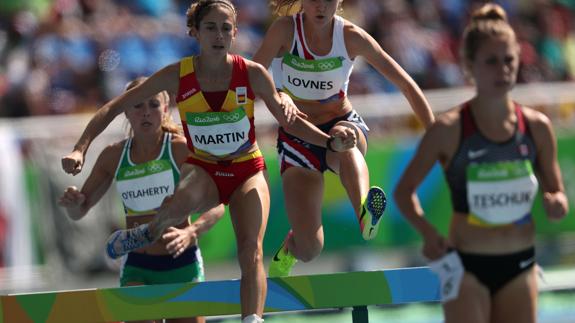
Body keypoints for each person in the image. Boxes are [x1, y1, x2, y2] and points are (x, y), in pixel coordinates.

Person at [61, 1, 355, 322]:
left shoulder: (252, 74)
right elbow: (114, 107)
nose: (219, 35)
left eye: (226, 28)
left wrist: (328, 142)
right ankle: (149, 231)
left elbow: (291, 123)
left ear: (235, 33)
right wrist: (80, 148)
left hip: (246, 169)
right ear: (195, 33)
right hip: (206, 170)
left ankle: (252, 319)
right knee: (174, 208)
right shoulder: (177, 75)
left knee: (250, 251)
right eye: (210, 28)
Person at [394, 4, 569, 323]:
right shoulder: (448, 130)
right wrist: (428, 233)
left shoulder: (537, 127)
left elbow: (557, 193)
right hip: (465, 268)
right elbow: (404, 192)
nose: (502, 69)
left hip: (520, 266)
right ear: (470, 66)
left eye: (509, 61)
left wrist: (556, 203)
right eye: (492, 61)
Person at [251, 0, 435, 276]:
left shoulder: (351, 36)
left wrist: (435, 136)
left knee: (343, 139)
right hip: (298, 136)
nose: (321, 6)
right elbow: (253, 79)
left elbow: (407, 86)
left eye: (328, 0)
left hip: (341, 123)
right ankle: (291, 248)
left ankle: (366, 212)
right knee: (311, 248)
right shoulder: (284, 31)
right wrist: (280, 96)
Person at [59, 77, 225, 323]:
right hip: (138, 266)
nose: (146, 112)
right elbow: (79, 212)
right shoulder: (112, 156)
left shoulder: (181, 150)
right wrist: (73, 205)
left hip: (182, 264)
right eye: (137, 105)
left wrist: (191, 232)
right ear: (126, 111)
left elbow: (220, 202)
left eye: (154, 105)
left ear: (165, 109)